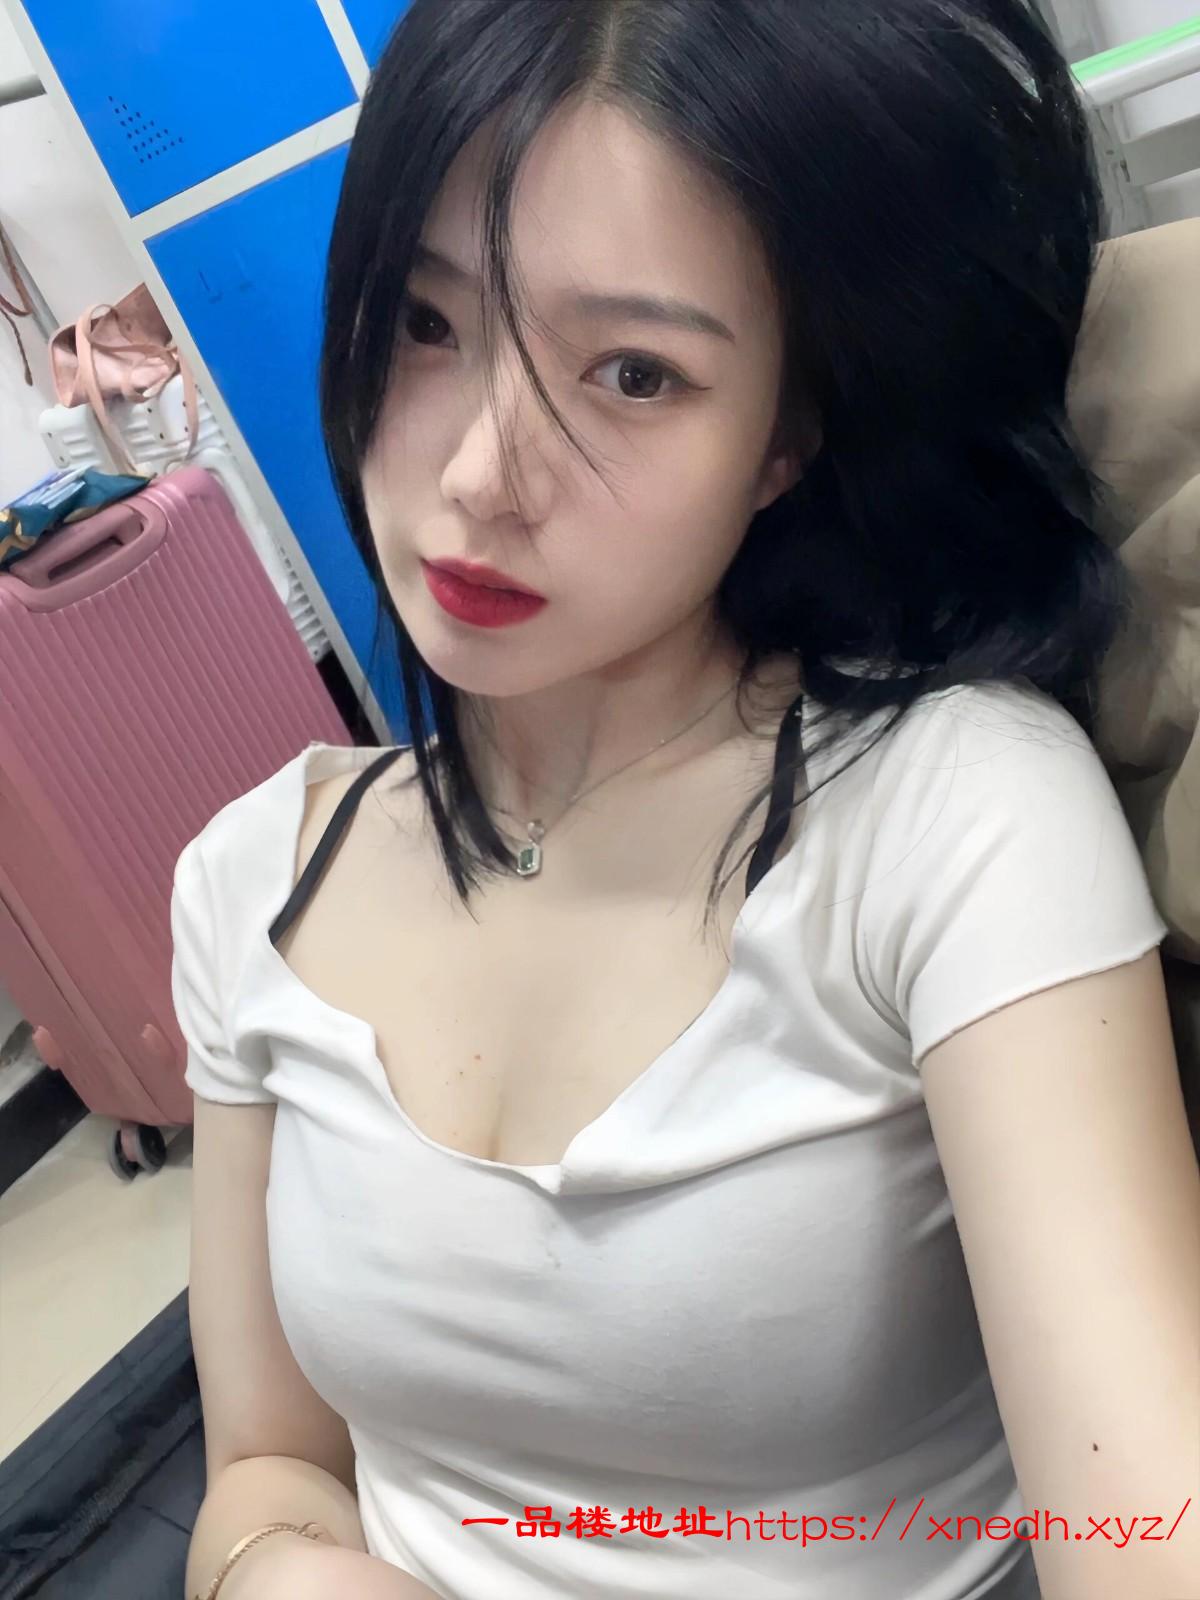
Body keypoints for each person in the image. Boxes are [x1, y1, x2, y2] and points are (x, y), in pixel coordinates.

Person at [175, 3, 1200, 1598]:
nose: (480, 476)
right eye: (431, 324)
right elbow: (270, 1463)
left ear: (785, 435)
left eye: (634, 374)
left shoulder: (953, 816)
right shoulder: (251, 878)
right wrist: (278, 1572)